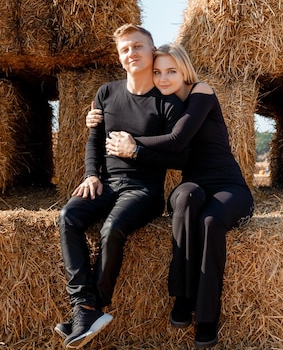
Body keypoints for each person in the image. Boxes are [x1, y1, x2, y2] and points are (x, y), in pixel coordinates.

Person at [87, 43, 254, 348]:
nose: (164, 78)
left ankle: (206, 317)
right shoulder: (162, 104)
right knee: (185, 199)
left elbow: (178, 140)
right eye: (158, 72)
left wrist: (134, 146)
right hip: (195, 185)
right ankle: (181, 296)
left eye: (171, 71)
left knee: (209, 222)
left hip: (229, 187)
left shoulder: (201, 92)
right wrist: (96, 119)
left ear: (184, 70)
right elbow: (121, 111)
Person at [56, 25, 187, 348]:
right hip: (108, 183)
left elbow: (181, 156)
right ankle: (82, 304)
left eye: (138, 47)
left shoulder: (167, 101)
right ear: (120, 56)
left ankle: (90, 309)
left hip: (144, 190)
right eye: (125, 49)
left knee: (112, 228)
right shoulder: (107, 93)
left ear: (152, 50)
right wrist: (91, 174)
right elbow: (95, 140)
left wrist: (137, 149)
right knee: (68, 217)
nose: (132, 54)